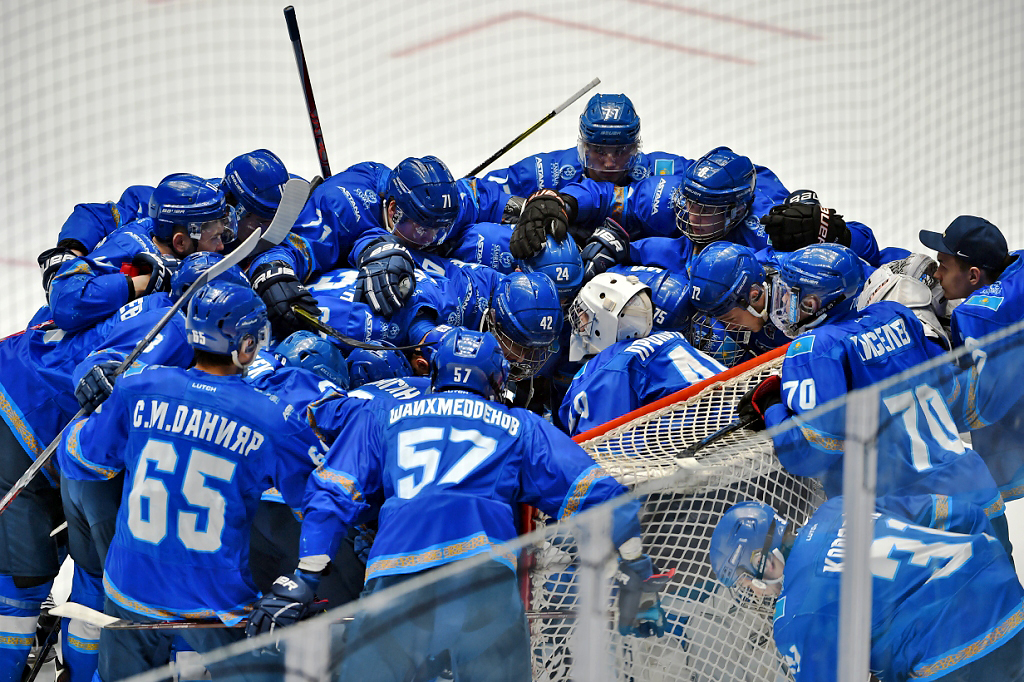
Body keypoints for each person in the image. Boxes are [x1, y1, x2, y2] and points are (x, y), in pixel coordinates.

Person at [247, 327, 670, 680]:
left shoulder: (384, 413)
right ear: (496, 382)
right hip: (481, 576)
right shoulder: (520, 425)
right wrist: (636, 572)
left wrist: (305, 577)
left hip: (396, 571)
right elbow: (600, 497)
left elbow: (333, 491)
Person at [59, 281, 323, 682]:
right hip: (214, 599)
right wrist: (304, 578)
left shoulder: (138, 386)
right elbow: (319, 504)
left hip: (132, 585)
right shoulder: (272, 418)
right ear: (246, 345)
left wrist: (86, 415)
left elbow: (81, 460)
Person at [736, 244, 1008, 549]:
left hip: (911, 516)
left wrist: (772, 406)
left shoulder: (814, 348)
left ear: (812, 303)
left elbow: (808, 452)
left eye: (790, 296)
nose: (782, 304)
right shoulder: (896, 313)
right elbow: (947, 387)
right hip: (972, 484)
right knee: (1005, 592)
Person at [709, 496, 1024, 681]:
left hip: (952, 655)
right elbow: (959, 511)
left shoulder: (794, 617)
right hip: (1009, 601)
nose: (753, 592)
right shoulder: (838, 506)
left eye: (746, 581)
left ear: (765, 563)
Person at [247, 156, 513, 333]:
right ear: (394, 209)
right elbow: (294, 246)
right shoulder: (342, 209)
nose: (432, 240)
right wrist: (273, 276)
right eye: (421, 229)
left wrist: (531, 206)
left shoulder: (438, 208)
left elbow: (481, 196)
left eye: (441, 231)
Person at [38, 150, 292, 299]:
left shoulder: (259, 200)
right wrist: (69, 252)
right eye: (262, 221)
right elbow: (100, 214)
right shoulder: (185, 206)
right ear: (238, 211)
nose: (273, 228)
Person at [919, 215, 1024, 504]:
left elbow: (982, 402)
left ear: (974, 276)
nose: (937, 275)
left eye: (944, 265)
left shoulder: (974, 315)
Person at [47, 173, 235, 332]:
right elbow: (65, 304)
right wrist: (143, 283)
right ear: (180, 242)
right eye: (215, 238)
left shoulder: (160, 214)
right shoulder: (126, 249)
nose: (220, 247)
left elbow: (139, 196)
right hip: (47, 355)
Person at [561, 272, 724, 435]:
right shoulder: (671, 338)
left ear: (605, 322)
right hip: (738, 406)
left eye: (584, 317)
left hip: (709, 438)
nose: (580, 326)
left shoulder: (607, 368)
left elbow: (603, 452)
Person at [480, 93, 691, 196]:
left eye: (620, 151)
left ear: (635, 149)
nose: (609, 164)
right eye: (599, 151)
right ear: (585, 148)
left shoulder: (661, 171)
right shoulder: (548, 171)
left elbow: (714, 173)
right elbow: (484, 191)